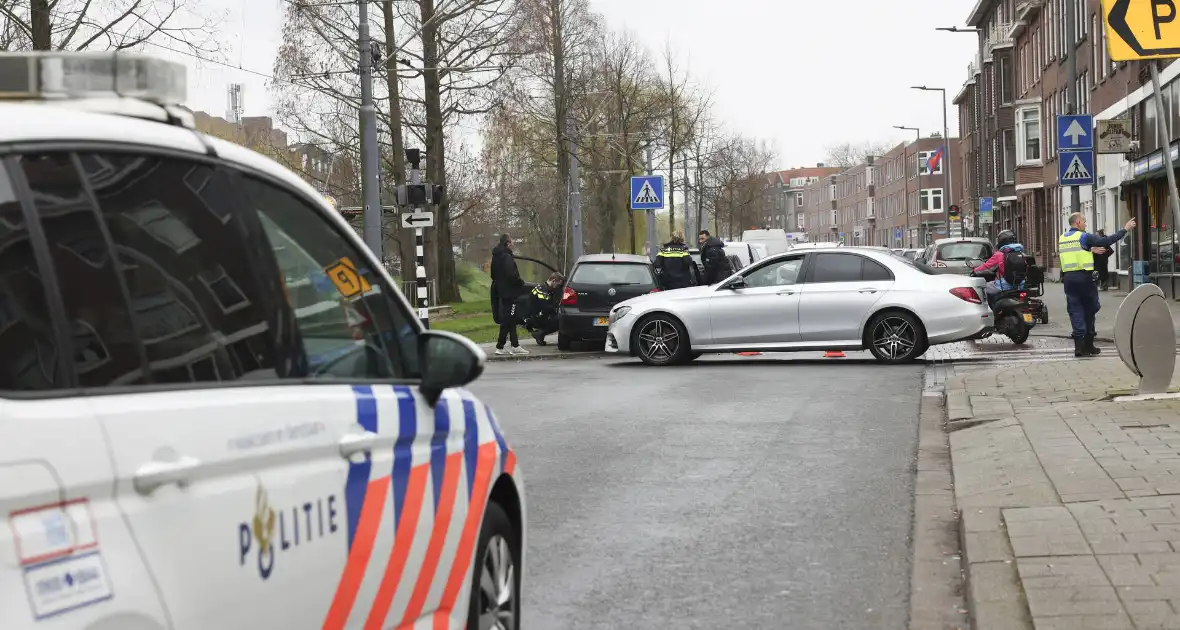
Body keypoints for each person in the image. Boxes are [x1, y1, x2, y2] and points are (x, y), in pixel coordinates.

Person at [1059, 213, 1136, 358]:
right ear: (1078, 222)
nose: (1086, 224)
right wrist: (1124, 229)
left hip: (1069, 279)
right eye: (1085, 221)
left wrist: (1089, 249)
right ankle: (1088, 344)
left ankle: (1079, 347)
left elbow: (1074, 253)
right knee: (1091, 308)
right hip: (1084, 279)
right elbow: (1106, 241)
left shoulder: (1063, 238)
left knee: (1075, 310)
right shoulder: (1084, 236)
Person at [489, 233, 528, 355]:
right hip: (510, 292)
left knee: (511, 318)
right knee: (509, 318)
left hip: (502, 291)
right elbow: (511, 274)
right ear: (507, 243)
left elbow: (493, 275)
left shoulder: (496, 257)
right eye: (511, 242)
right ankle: (501, 346)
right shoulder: (506, 257)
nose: (513, 244)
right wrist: (520, 282)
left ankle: (513, 345)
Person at [969, 229, 1028, 306]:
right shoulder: (1021, 253)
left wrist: (974, 271)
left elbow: (986, 266)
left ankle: (990, 309)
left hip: (1003, 285)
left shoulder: (1000, 254)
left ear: (1002, 241)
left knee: (981, 289)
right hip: (1020, 285)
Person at [523, 272, 564, 345]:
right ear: (553, 281)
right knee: (561, 321)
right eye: (557, 285)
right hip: (535, 317)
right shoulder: (543, 291)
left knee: (557, 317)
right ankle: (540, 334)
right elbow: (545, 307)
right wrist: (556, 310)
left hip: (534, 315)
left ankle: (540, 333)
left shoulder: (542, 287)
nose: (557, 287)